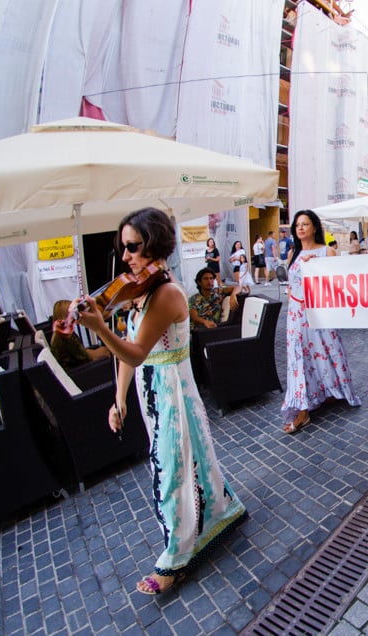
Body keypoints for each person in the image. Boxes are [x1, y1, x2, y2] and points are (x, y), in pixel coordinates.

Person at [73, 207, 246, 595]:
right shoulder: (139, 292)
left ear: (155, 244)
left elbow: (134, 352)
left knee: (171, 471)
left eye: (132, 247)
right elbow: (128, 358)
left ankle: (176, 556)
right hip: (152, 388)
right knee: (190, 461)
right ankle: (223, 512)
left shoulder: (166, 292)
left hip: (172, 390)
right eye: (123, 248)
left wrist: (99, 327)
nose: (125, 256)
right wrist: (119, 399)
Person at [281, 210, 361, 433]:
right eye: (297, 225)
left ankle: (331, 389)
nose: (300, 228)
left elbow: (338, 285)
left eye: (305, 224)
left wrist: (316, 267)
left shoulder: (328, 251)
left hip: (320, 312)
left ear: (314, 227)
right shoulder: (292, 254)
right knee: (300, 359)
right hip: (297, 315)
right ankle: (302, 409)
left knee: (328, 350)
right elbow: (290, 286)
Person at [50, 300, 111, 370]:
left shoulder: (59, 334)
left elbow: (79, 352)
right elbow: (85, 358)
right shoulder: (66, 337)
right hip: (82, 372)